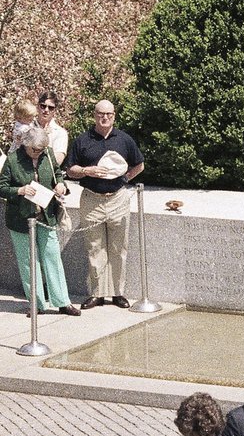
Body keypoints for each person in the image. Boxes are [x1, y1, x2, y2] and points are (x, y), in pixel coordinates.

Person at [66, 99, 143, 309]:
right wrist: (86, 171)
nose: (105, 117)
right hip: (91, 198)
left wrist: (124, 179)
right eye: (101, 113)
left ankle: (118, 293)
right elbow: (70, 169)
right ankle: (98, 293)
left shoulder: (124, 140)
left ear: (114, 115)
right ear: (94, 115)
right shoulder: (83, 140)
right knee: (94, 247)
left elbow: (139, 164)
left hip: (117, 198)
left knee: (119, 248)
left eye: (109, 114)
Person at [0, 123, 80, 315]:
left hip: (45, 215)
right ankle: (37, 304)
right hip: (20, 218)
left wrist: (60, 185)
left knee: (52, 256)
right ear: (26, 145)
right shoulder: (12, 160)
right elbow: (1, 187)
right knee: (28, 262)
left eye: (41, 149)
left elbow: (57, 175)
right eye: (34, 150)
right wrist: (20, 190)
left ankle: (62, 301)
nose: (38, 153)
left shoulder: (48, 154)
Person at [36, 91, 68, 165]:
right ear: (38, 106)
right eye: (43, 106)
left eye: (50, 108)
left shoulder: (60, 133)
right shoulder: (27, 127)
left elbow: (56, 161)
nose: (46, 110)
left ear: (55, 110)